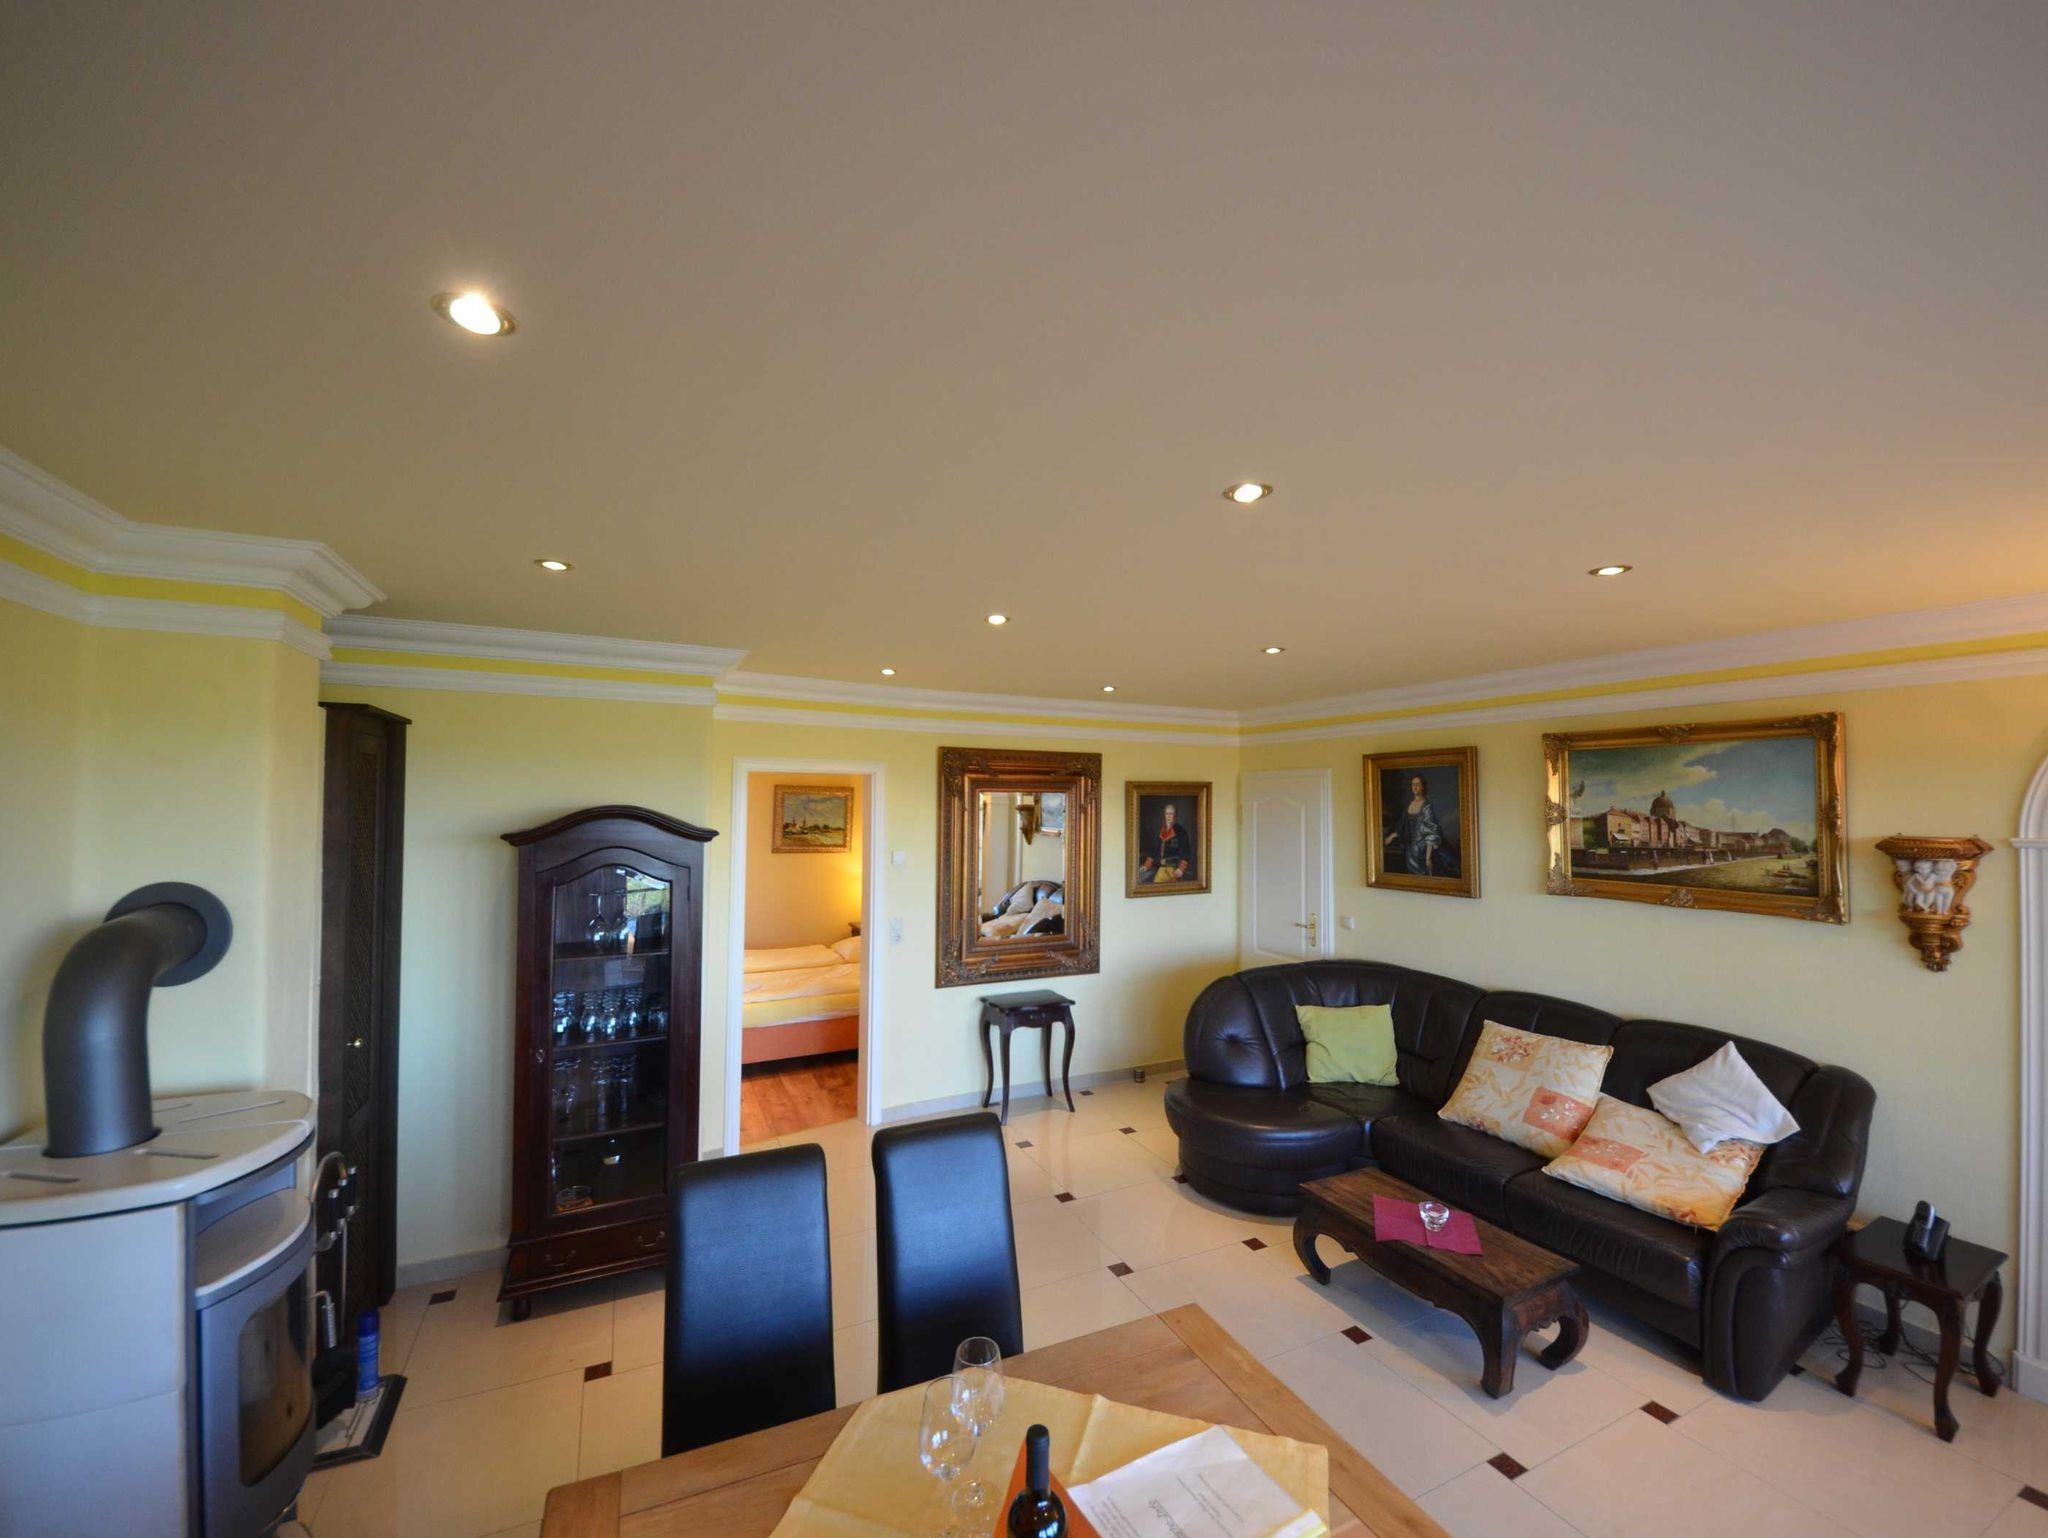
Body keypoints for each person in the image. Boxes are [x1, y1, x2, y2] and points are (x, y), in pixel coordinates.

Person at [1387, 773, 1446, 876]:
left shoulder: (1427, 807)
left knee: (1422, 876)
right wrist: (1392, 836)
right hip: (1409, 849)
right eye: (1413, 784)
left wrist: (1428, 857)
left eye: (1417, 784)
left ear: (1423, 787)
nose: (1415, 787)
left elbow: (1431, 833)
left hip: (1422, 850)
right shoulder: (1409, 805)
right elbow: (1402, 825)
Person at [1137, 803, 1194, 884]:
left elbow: (1185, 851)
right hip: (1161, 867)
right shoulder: (1162, 831)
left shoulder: (1181, 831)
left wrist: (1181, 869)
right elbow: (1155, 850)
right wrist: (1146, 865)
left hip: (1173, 868)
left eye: (1171, 814)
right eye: (1167, 814)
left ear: (1175, 815)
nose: (1168, 816)